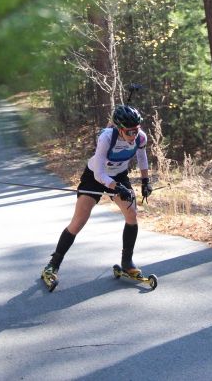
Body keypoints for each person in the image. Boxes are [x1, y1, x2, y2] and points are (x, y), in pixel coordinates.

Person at [42, 104, 154, 286]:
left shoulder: (140, 137)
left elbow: (142, 157)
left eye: (136, 130)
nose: (134, 135)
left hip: (119, 176)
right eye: (130, 132)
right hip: (94, 177)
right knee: (79, 220)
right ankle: (52, 265)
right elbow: (99, 174)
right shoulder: (107, 138)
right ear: (120, 129)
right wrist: (116, 187)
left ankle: (127, 263)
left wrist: (145, 181)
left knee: (132, 214)